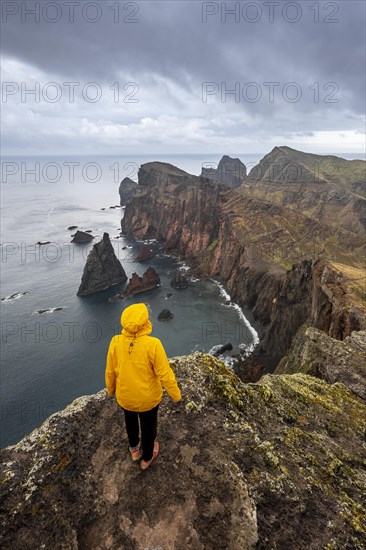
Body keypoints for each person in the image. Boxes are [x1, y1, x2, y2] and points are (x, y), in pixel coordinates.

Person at [105, 303, 181, 470]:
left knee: (130, 421)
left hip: (126, 396)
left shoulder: (115, 342)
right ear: (145, 322)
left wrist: (111, 390)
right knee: (148, 428)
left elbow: (110, 371)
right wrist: (175, 395)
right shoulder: (153, 344)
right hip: (148, 399)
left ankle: (133, 450)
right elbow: (165, 374)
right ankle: (146, 458)